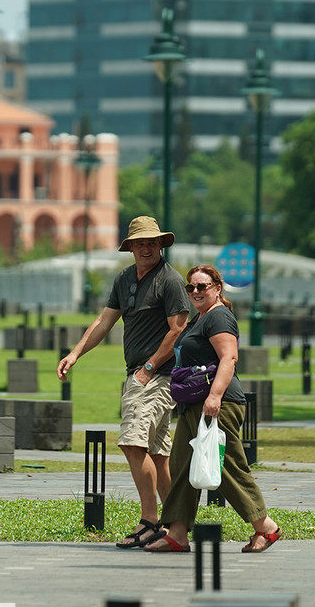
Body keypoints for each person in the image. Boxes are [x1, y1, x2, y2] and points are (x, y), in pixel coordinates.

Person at [57, 215, 188, 549]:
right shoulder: (126, 279)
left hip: (156, 377)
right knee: (157, 455)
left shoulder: (169, 280)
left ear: (161, 245)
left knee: (132, 443)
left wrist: (148, 367)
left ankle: (150, 521)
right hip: (140, 374)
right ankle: (177, 527)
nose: (146, 248)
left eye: (151, 242)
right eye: (139, 243)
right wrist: (75, 353)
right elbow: (104, 321)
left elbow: (178, 328)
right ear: (130, 247)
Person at [144, 264, 281, 554]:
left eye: (202, 286)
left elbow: (229, 358)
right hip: (195, 405)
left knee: (227, 467)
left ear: (217, 289)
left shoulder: (218, 316)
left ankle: (265, 526)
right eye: (190, 287)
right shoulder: (200, 318)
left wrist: (215, 396)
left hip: (219, 404)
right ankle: (178, 533)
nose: (195, 291)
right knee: (182, 466)